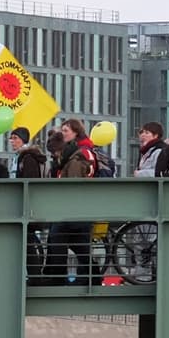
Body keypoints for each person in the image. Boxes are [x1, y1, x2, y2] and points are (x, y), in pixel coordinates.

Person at [42, 120, 97, 285]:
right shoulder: (75, 155)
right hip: (78, 209)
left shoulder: (75, 157)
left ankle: (58, 278)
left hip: (71, 208)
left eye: (66, 130)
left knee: (57, 238)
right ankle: (92, 276)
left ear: (75, 133)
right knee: (79, 244)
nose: (63, 133)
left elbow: (73, 185)